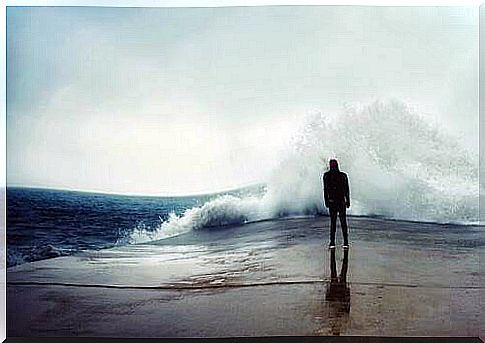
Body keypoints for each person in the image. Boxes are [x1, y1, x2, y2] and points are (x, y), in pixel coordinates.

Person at [323, 159, 350, 249]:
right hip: (341, 202)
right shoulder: (343, 175)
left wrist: (326, 201)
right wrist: (348, 201)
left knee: (333, 223)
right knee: (343, 222)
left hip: (332, 202)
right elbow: (347, 190)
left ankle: (332, 242)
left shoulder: (326, 176)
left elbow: (325, 190)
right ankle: (345, 242)